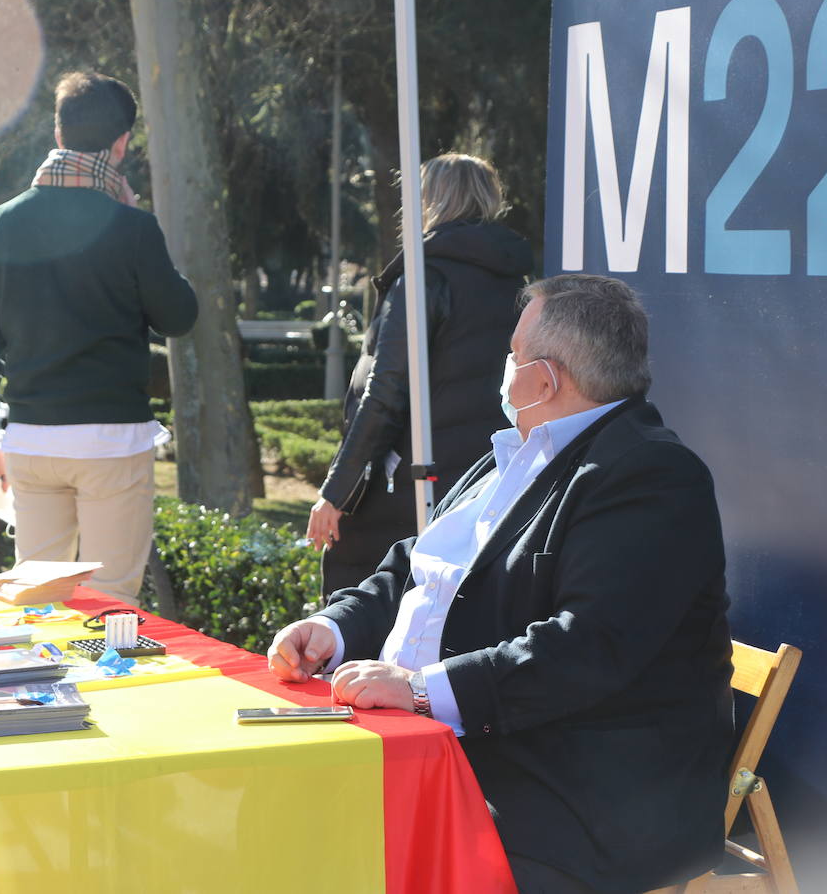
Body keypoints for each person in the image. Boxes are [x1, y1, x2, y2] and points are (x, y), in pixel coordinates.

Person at [269, 275, 734, 893]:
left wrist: (420, 691)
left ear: (544, 379)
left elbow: (586, 647)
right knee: (270, 813)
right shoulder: (511, 452)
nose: (503, 367)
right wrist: (333, 627)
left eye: (512, 355)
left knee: (321, 848)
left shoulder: (649, 474)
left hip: (566, 796)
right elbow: (418, 566)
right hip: (436, 750)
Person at [0, 70, 198, 606]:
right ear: (121, 144)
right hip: (111, 440)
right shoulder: (131, 227)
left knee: (36, 593)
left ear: (59, 134)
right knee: (111, 599)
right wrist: (138, 223)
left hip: (31, 438)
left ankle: (37, 690)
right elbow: (178, 317)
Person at [307, 154, 533, 598]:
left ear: (430, 201)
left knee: (369, 606)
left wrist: (336, 492)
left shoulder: (424, 276)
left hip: (409, 483)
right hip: (486, 477)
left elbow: (385, 392)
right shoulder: (515, 281)